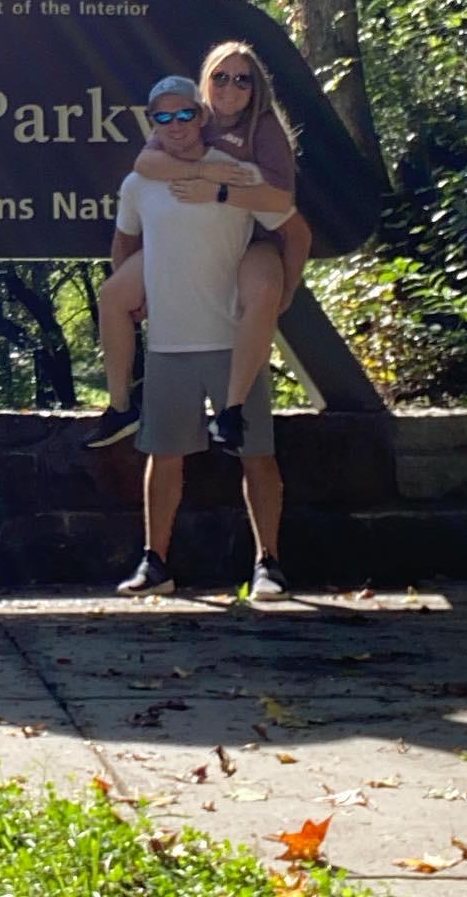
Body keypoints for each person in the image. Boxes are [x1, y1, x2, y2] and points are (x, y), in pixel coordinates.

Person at [109, 74, 292, 599]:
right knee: (163, 456)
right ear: (151, 123)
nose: (175, 125)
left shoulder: (237, 173)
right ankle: (155, 564)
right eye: (162, 117)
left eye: (185, 114)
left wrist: (282, 290)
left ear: (202, 116)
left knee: (256, 454)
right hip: (168, 342)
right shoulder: (138, 184)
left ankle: (268, 564)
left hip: (234, 342)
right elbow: (123, 245)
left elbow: (286, 219)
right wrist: (136, 296)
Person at [87, 41, 312, 452]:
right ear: (206, 83)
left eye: (242, 79)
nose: (230, 87)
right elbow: (144, 165)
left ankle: (233, 410)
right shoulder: (190, 118)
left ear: (256, 88)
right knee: (113, 294)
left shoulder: (263, 128)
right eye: (220, 77)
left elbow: (281, 204)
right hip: (190, 243)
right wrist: (202, 171)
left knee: (264, 290)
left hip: (258, 238)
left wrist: (219, 191)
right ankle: (120, 407)